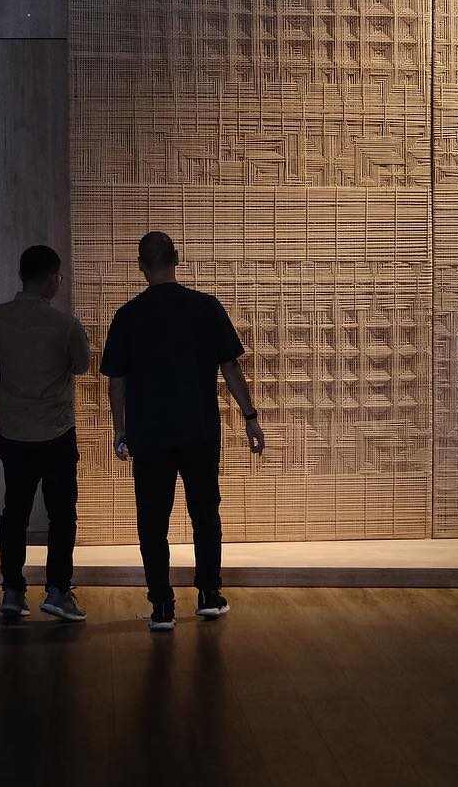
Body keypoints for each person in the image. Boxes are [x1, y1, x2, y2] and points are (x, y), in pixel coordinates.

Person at [101, 231, 265, 631]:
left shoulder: (127, 315)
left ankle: (162, 606)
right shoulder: (206, 307)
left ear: (141, 266)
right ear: (177, 258)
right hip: (199, 430)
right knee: (205, 513)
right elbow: (230, 367)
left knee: (152, 522)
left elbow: (117, 382)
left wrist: (120, 430)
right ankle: (209, 594)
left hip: (149, 434)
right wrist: (250, 416)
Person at [0, 245, 91, 621]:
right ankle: (58, 591)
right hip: (55, 431)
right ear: (51, 279)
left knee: (14, 512)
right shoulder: (66, 325)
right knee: (61, 515)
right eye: (58, 276)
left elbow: (1, 355)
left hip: (14, 431)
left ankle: (12, 591)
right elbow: (82, 365)